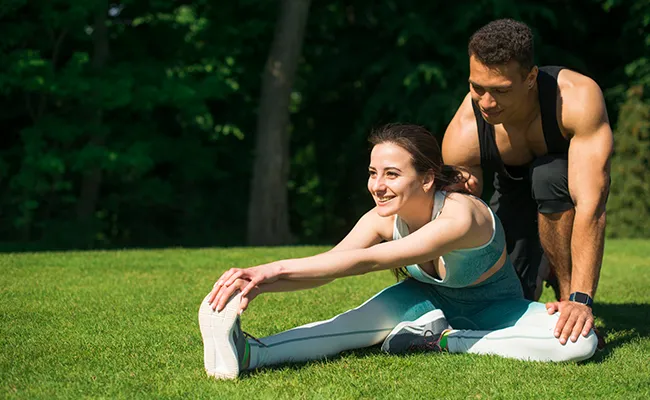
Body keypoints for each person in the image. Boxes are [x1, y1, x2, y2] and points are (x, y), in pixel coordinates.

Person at [198, 124, 598, 380]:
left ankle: (445, 340)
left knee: (582, 343)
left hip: (496, 310)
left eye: (392, 174)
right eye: (373, 173)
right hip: (423, 303)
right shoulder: (380, 218)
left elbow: (372, 260)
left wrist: (271, 269)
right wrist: (259, 283)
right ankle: (247, 352)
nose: (377, 185)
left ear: (427, 179)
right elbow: (331, 266)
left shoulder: (461, 215)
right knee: (343, 327)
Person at [441, 19, 612, 346]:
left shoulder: (576, 99)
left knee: (548, 176)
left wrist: (580, 299)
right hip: (511, 190)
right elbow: (459, 213)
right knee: (509, 301)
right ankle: (539, 267)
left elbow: (591, 205)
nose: (487, 103)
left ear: (530, 78)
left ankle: (565, 300)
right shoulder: (465, 130)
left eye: (501, 90)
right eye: (477, 87)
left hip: (562, 184)